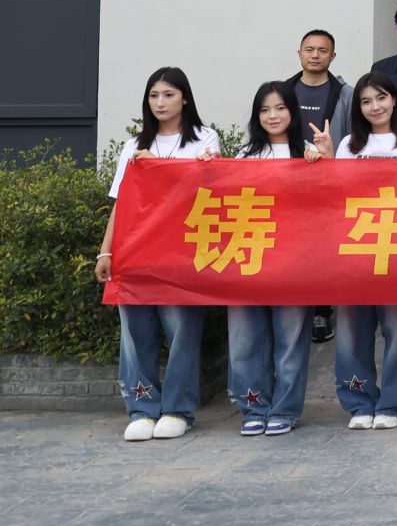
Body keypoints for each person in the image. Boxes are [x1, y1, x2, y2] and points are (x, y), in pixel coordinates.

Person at [100, 68, 220, 442]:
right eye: (154, 95)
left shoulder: (204, 139)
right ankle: (141, 408)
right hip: (135, 251)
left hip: (183, 252)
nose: (160, 102)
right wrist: (105, 250)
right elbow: (122, 203)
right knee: (136, 333)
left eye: (168, 94)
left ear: (184, 98)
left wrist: (160, 168)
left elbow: (208, 191)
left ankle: (178, 410)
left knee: (182, 331)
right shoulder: (133, 146)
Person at [227, 82, 320, 437]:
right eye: (264, 110)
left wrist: (324, 163)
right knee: (245, 340)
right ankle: (253, 407)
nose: (273, 116)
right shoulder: (244, 155)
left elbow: (326, 204)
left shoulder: (309, 152)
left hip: (295, 262)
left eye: (280, 108)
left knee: (290, 340)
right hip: (248, 258)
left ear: (293, 111)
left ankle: (285, 409)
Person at [329, 72, 397, 430]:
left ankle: (392, 404)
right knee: (351, 332)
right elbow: (336, 193)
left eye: (381, 98)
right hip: (355, 247)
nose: (375, 107)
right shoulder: (348, 145)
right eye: (366, 101)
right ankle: (359, 402)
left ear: (394, 100)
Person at [285, 29, 350, 344]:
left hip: (329, 183)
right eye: (309, 49)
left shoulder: (346, 94)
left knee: (324, 248)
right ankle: (293, 301)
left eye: (322, 50)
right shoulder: (283, 91)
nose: (315, 55)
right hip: (288, 183)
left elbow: (352, 136)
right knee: (291, 245)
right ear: (299, 53)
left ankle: (321, 310)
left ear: (333, 56)